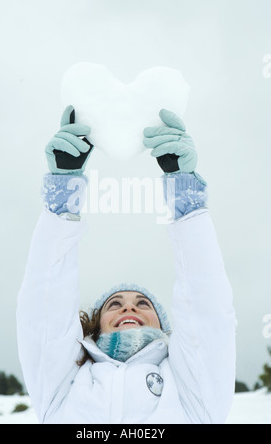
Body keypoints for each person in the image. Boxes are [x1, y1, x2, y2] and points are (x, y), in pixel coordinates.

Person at [16, 105, 236, 424]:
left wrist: (185, 195)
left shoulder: (194, 392)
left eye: (142, 303)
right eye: (114, 304)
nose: (127, 309)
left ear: (162, 326)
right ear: (96, 324)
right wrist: (61, 197)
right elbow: (43, 308)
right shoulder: (62, 385)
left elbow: (207, 310)